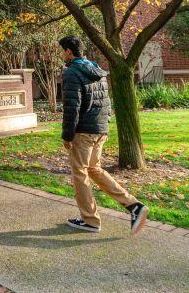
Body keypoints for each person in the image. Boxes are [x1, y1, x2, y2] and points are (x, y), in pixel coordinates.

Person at [59, 35, 149, 234]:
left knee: (80, 173)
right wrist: (104, 125)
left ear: (68, 51)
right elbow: (106, 102)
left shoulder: (72, 72)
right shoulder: (96, 70)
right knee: (94, 169)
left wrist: (67, 135)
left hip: (84, 132)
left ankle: (90, 220)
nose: (62, 55)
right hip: (100, 129)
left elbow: (71, 107)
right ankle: (134, 206)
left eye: (62, 51)